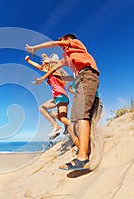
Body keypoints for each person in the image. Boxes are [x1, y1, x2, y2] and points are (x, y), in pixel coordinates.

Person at [26, 33, 100, 170]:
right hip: (81, 81)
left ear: (68, 40)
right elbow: (55, 66)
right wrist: (45, 62)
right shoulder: (68, 57)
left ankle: (83, 158)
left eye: (63, 43)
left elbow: (53, 44)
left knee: (79, 117)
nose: (62, 47)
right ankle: (84, 149)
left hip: (86, 77)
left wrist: (34, 48)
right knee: (77, 117)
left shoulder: (75, 43)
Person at [25, 53, 71, 141]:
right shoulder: (52, 73)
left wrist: (47, 59)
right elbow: (40, 67)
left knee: (63, 118)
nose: (42, 66)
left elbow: (41, 67)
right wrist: (29, 61)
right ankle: (62, 127)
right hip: (58, 98)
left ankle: (70, 127)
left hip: (61, 97)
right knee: (43, 108)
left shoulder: (54, 72)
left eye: (45, 64)